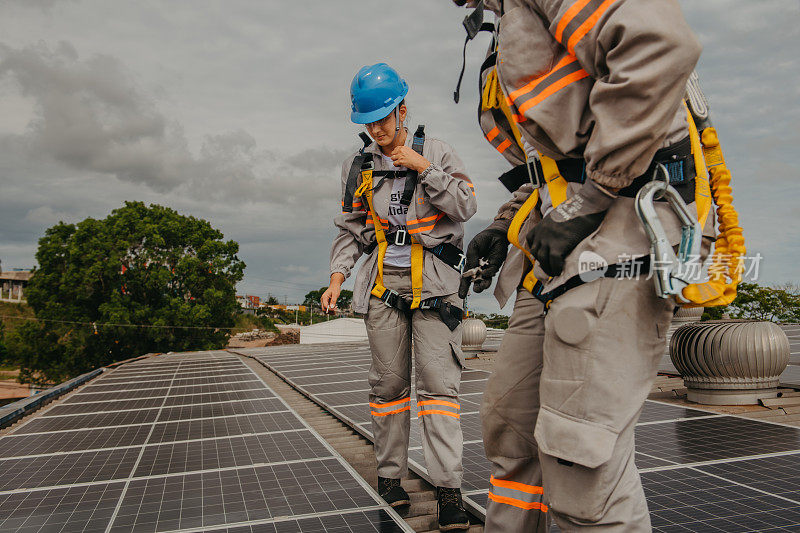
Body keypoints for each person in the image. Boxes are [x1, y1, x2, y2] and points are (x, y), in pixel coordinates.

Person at [451, 1, 715, 531]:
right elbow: (555, 161)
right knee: (512, 429)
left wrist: (590, 201)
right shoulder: (506, 20)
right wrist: (505, 226)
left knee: (579, 457)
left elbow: (662, 47)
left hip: (621, 230)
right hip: (561, 242)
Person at [321, 62, 477, 531]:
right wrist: (336, 276)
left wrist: (424, 168)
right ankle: (390, 478)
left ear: (402, 110)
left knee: (438, 392)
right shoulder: (357, 166)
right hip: (383, 288)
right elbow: (351, 228)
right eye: (367, 123)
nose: (375, 130)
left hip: (435, 287)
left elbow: (467, 206)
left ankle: (449, 489)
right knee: (388, 391)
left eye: (383, 120)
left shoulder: (438, 152)